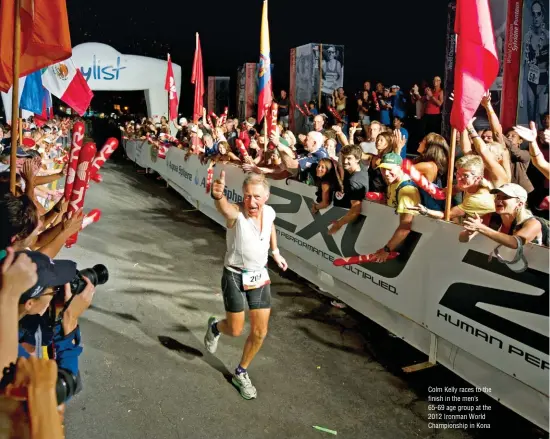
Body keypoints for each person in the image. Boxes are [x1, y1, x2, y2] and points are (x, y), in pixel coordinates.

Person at [204, 172, 288, 400]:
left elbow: (270, 225)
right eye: (248, 196)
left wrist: (276, 252)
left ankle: (240, 372)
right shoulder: (237, 214)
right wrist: (218, 196)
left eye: (257, 197)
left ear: (267, 196)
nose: (252, 202)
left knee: (260, 331)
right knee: (235, 329)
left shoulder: (269, 212)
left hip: (259, 275)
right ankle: (215, 327)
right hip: (234, 275)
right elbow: (226, 209)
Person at [461, 183, 547, 247]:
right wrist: (469, 232)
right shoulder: (491, 217)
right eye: (497, 196)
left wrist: (481, 228)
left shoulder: (533, 223)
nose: (498, 200)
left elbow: (515, 243)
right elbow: (462, 239)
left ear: (520, 204)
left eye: (505, 197)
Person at [373, 153, 421, 262]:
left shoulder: (406, 190)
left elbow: (405, 227)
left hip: (408, 245)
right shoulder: (393, 180)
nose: (385, 173)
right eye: (383, 169)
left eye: (390, 169)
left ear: (400, 168)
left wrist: (387, 249)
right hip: (396, 238)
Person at [328, 145, 369, 235]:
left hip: (357, 226)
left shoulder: (353, 181)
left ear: (358, 159)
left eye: (349, 158)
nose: (345, 161)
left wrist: (338, 224)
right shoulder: (362, 169)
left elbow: (356, 210)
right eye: (343, 157)